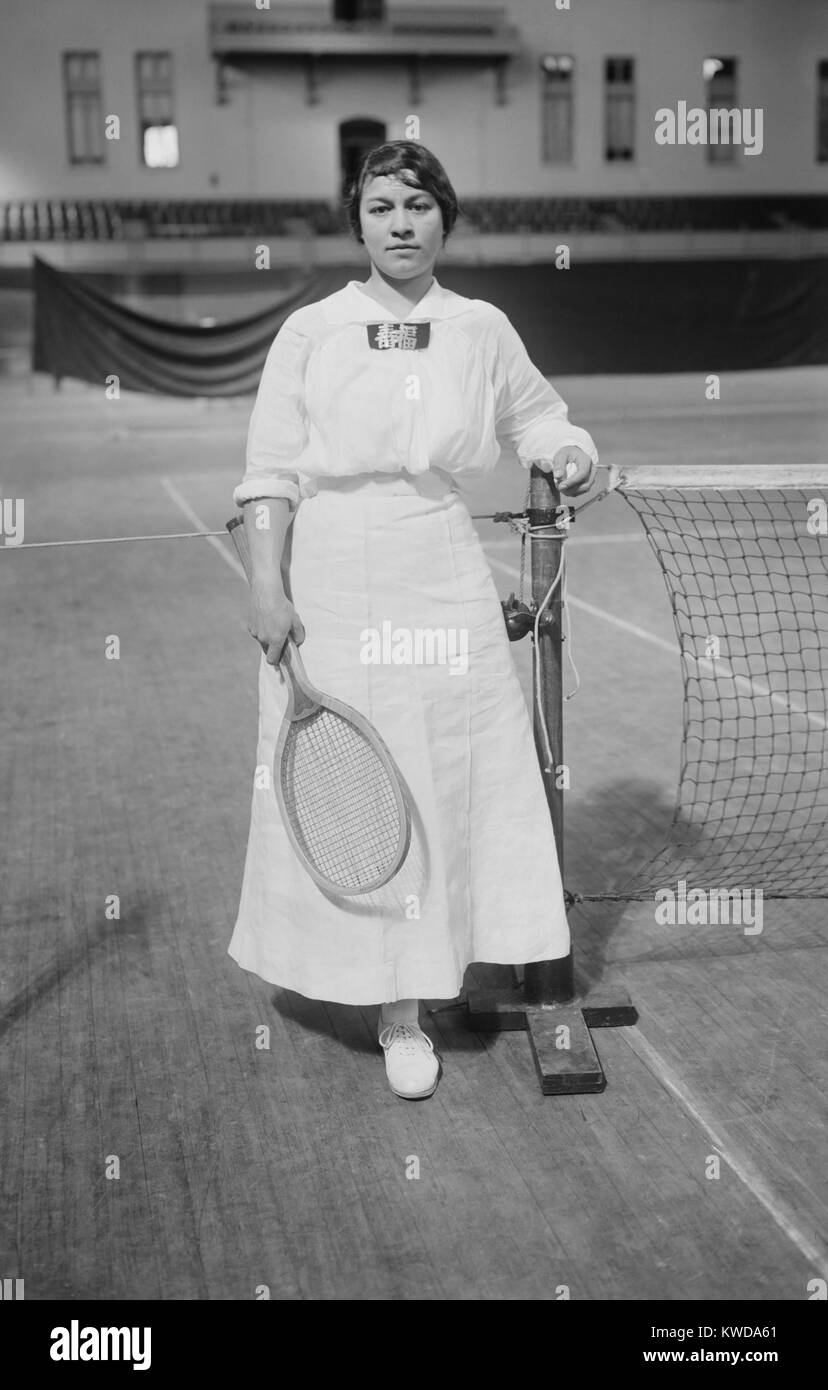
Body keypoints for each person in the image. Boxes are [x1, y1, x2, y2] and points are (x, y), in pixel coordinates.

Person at [228, 141, 598, 1100]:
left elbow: (539, 417)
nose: (402, 223)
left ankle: (457, 967)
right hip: (338, 577)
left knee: (455, 775)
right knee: (365, 796)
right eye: (383, 205)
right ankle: (397, 1011)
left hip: (442, 565)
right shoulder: (311, 330)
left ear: (446, 218)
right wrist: (267, 585)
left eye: (420, 205)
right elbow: (268, 474)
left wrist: (568, 450)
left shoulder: (481, 327)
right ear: (357, 219)